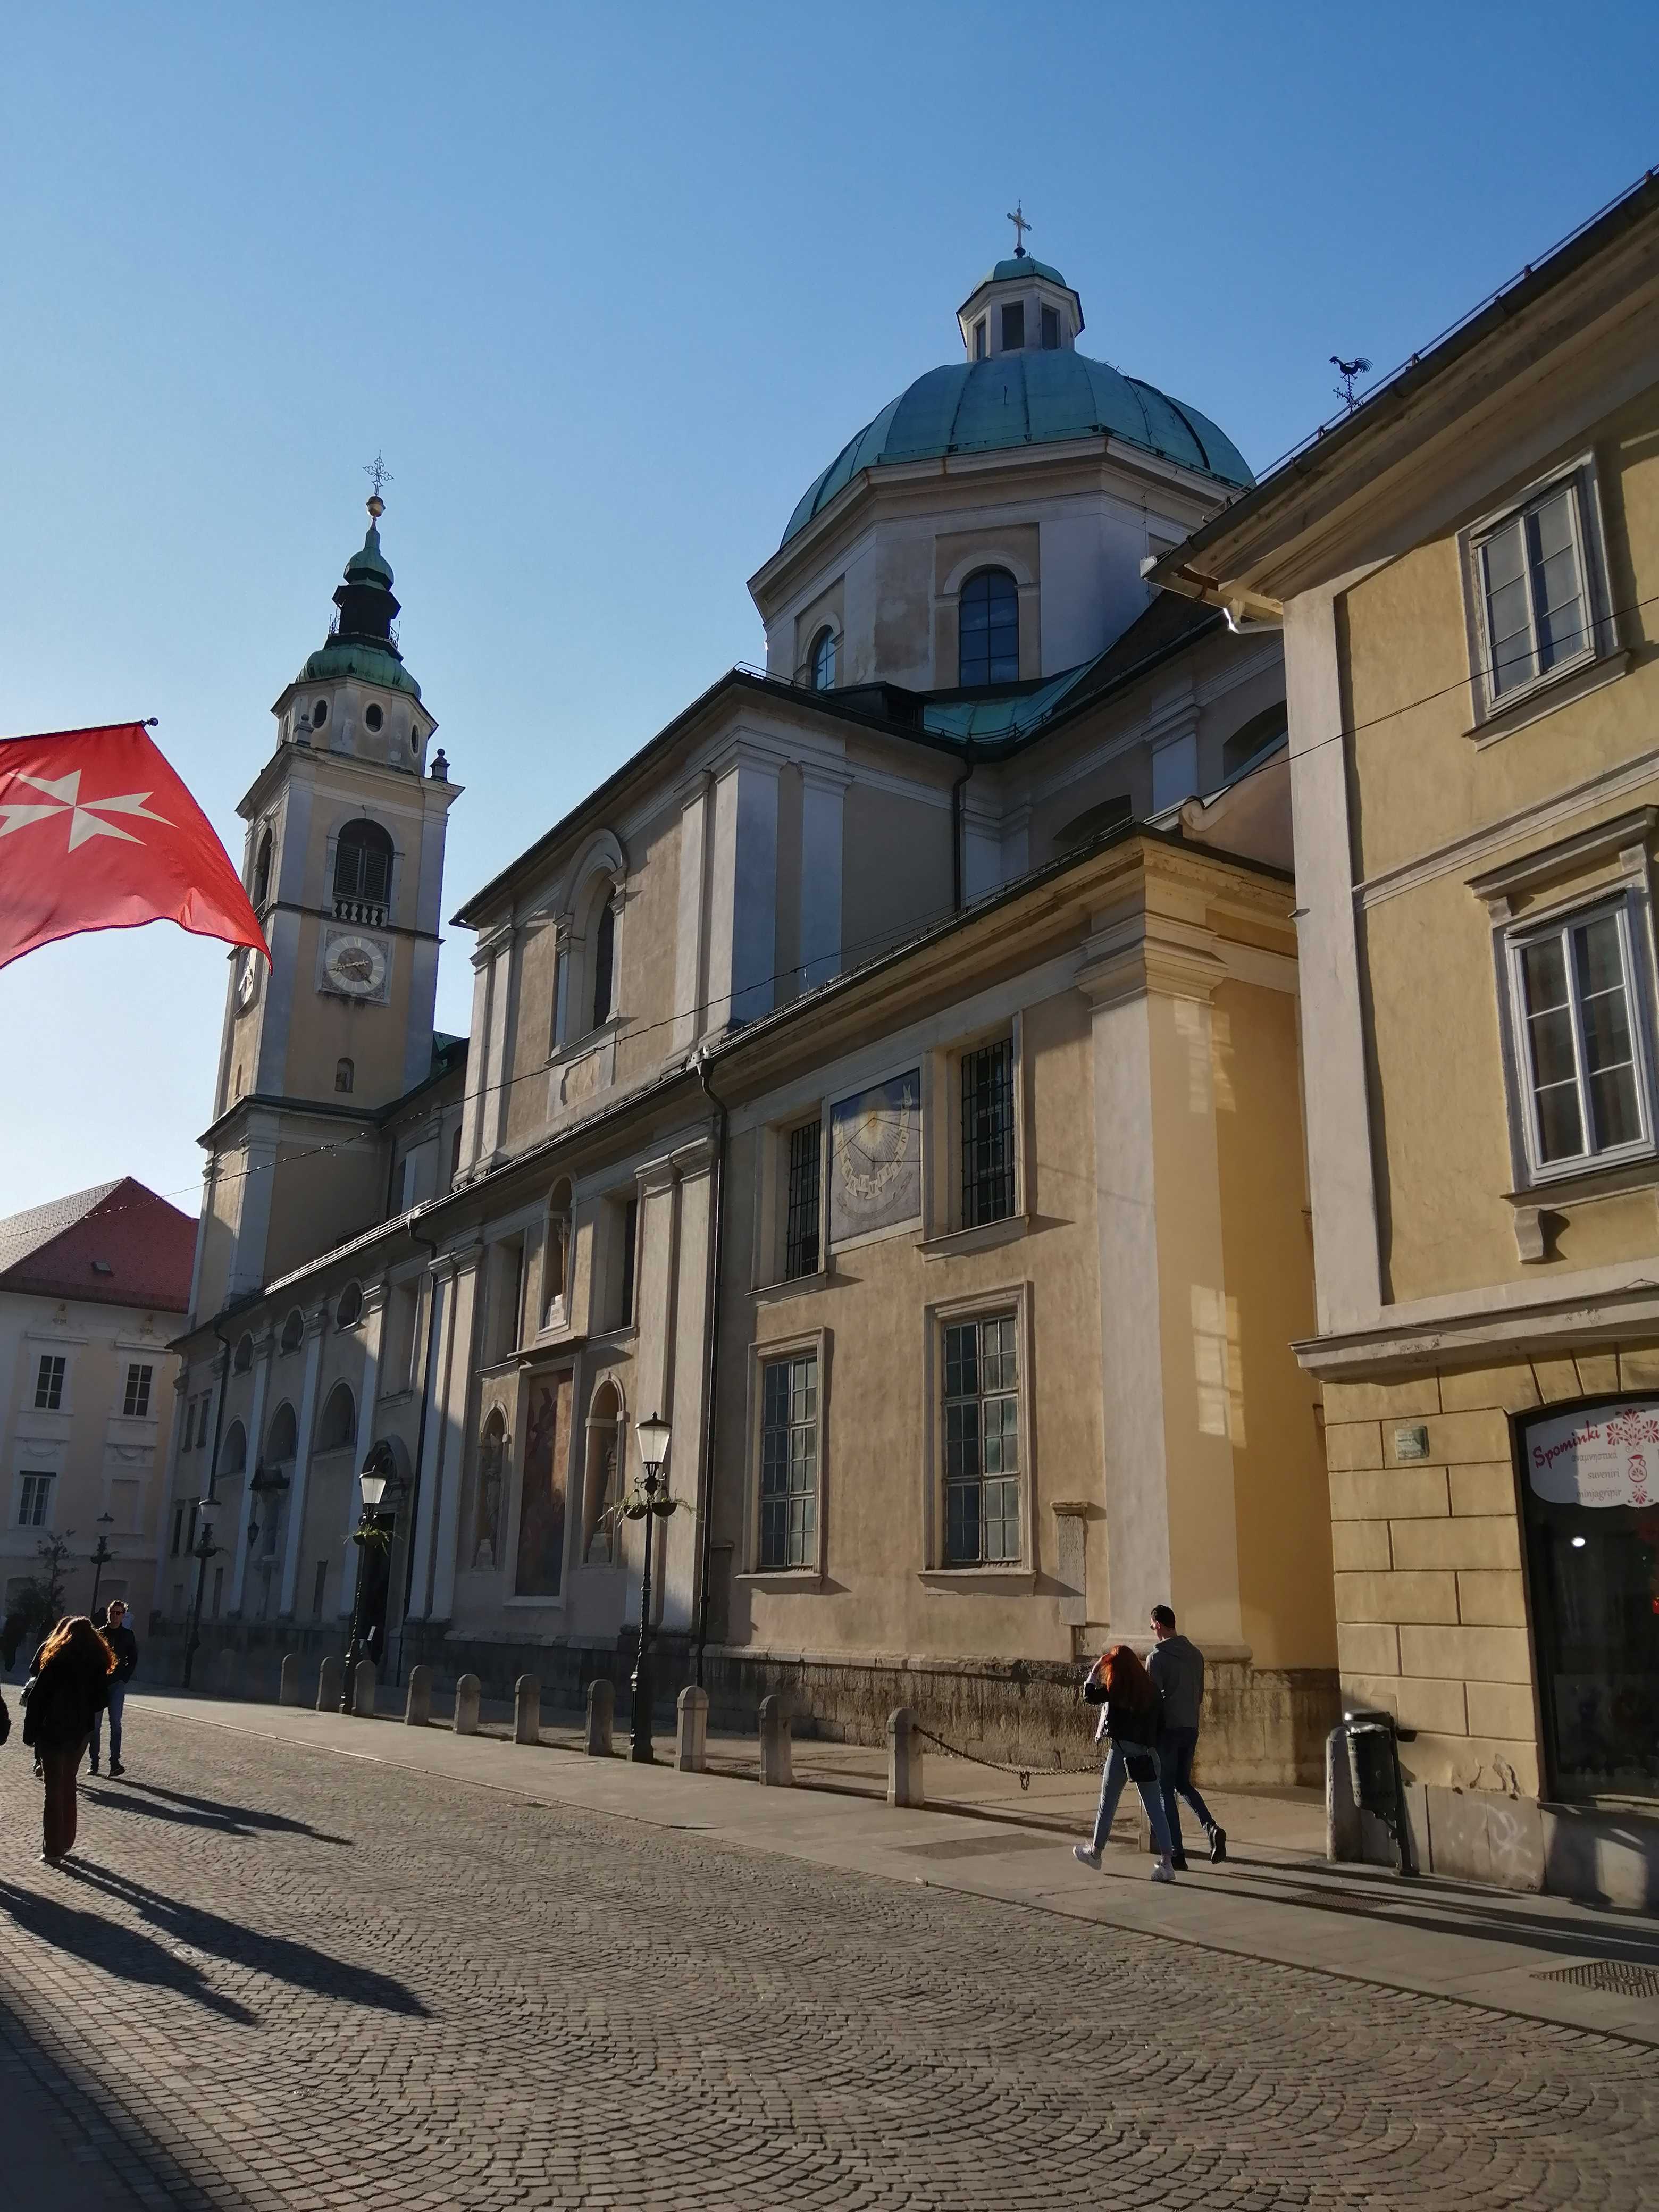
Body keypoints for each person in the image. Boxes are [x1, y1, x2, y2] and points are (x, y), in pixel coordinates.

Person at [1073, 1643, 1177, 1882]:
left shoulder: (1116, 1688)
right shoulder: (1151, 1689)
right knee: (1154, 1809)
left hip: (1121, 1751)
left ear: (1115, 1667)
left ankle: (1096, 1854)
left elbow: (1089, 1695)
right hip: (1147, 1753)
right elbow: (1161, 1724)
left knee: (1107, 1803)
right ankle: (1168, 1863)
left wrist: (1097, 1667)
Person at [20, 1616, 116, 1865]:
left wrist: (30, 1735)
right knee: (69, 1782)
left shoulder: (56, 1661)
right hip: (80, 1731)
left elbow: (37, 1699)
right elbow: (101, 1701)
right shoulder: (97, 1664)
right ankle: (66, 1839)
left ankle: (52, 1848)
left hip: (53, 1729)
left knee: (52, 1789)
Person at [1148, 1603, 1226, 1869]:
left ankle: (1177, 1853)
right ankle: (1211, 1828)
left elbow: (1152, 1701)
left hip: (1168, 1730)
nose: (1152, 1631)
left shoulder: (1157, 1657)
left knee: (1165, 1790)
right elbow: (1200, 1694)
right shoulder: (1195, 1655)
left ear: (1158, 1625)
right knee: (1184, 1784)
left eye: (1152, 1626)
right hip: (1190, 1728)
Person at [89, 1598, 138, 1777]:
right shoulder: (100, 1634)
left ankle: (114, 1763)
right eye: (113, 1612)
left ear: (123, 1615)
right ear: (109, 1613)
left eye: (119, 1613)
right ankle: (94, 1763)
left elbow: (133, 1659)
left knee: (116, 1724)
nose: (115, 1616)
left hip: (117, 1684)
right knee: (95, 1726)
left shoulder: (128, 1636)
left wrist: (125, 1677)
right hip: (100, 1685)